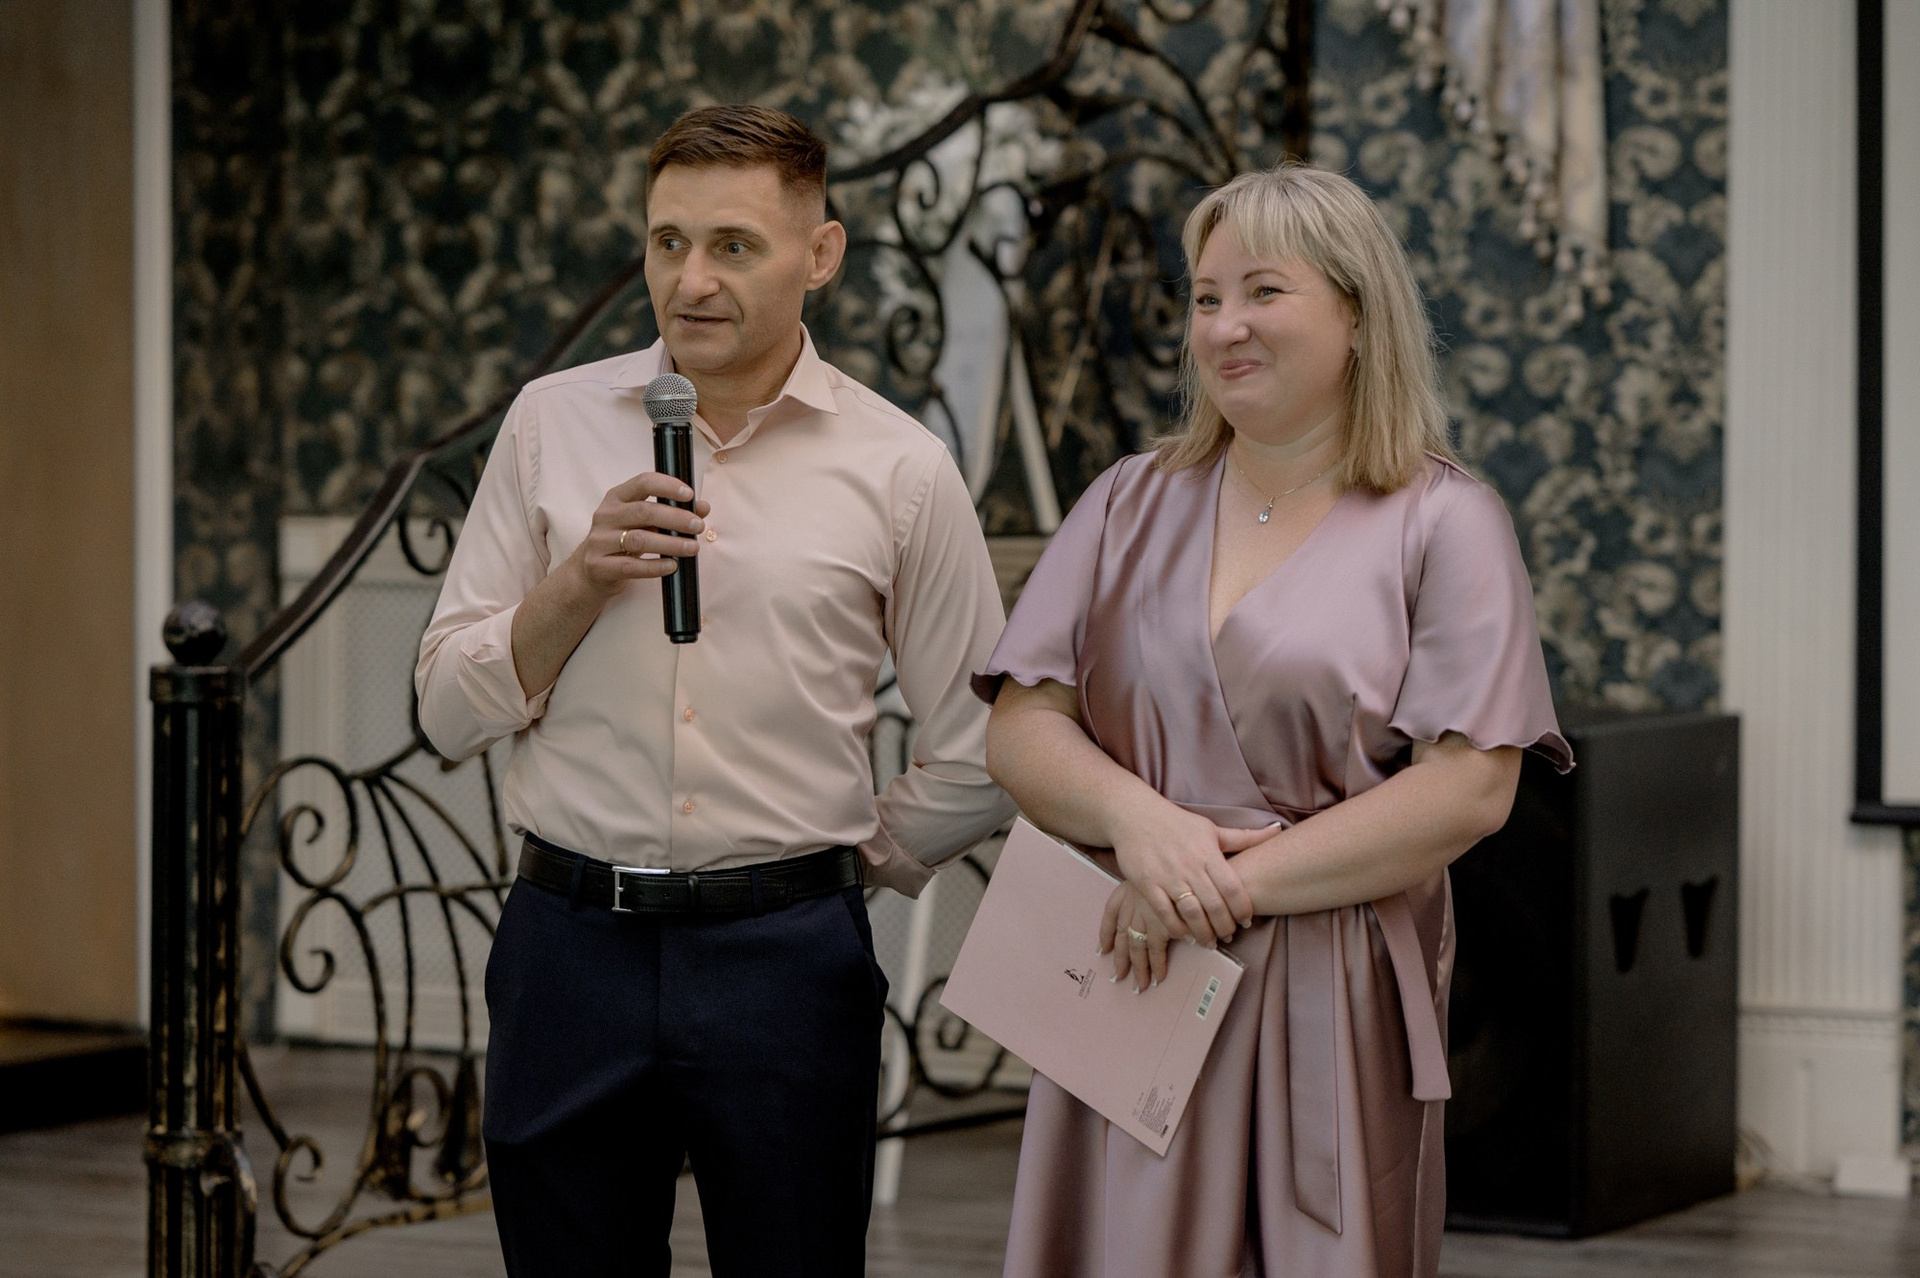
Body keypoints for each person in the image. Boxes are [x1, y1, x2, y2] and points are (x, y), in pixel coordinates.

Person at [415, 104, 1015, 1278]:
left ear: (821, 254)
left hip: (786, 965)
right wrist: (579, 580)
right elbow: (444, 708)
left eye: (733, 246)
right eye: (667, 243)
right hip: (567, 953)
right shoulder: (548, 425)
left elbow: (982, 746)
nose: (690, 281)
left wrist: (833, 870)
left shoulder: (901, 468)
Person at [973, 162, 1573, 1277]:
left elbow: (1469, 788)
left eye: (1264, 292)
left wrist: (1209, 888)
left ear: (1358, 313)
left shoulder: (1446, 522)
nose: (1225, 327)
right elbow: (1021, 724)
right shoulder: (1126, 500)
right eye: (1206, 298)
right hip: (1134, 971)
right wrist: (1140, 827)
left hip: (1326, 980)